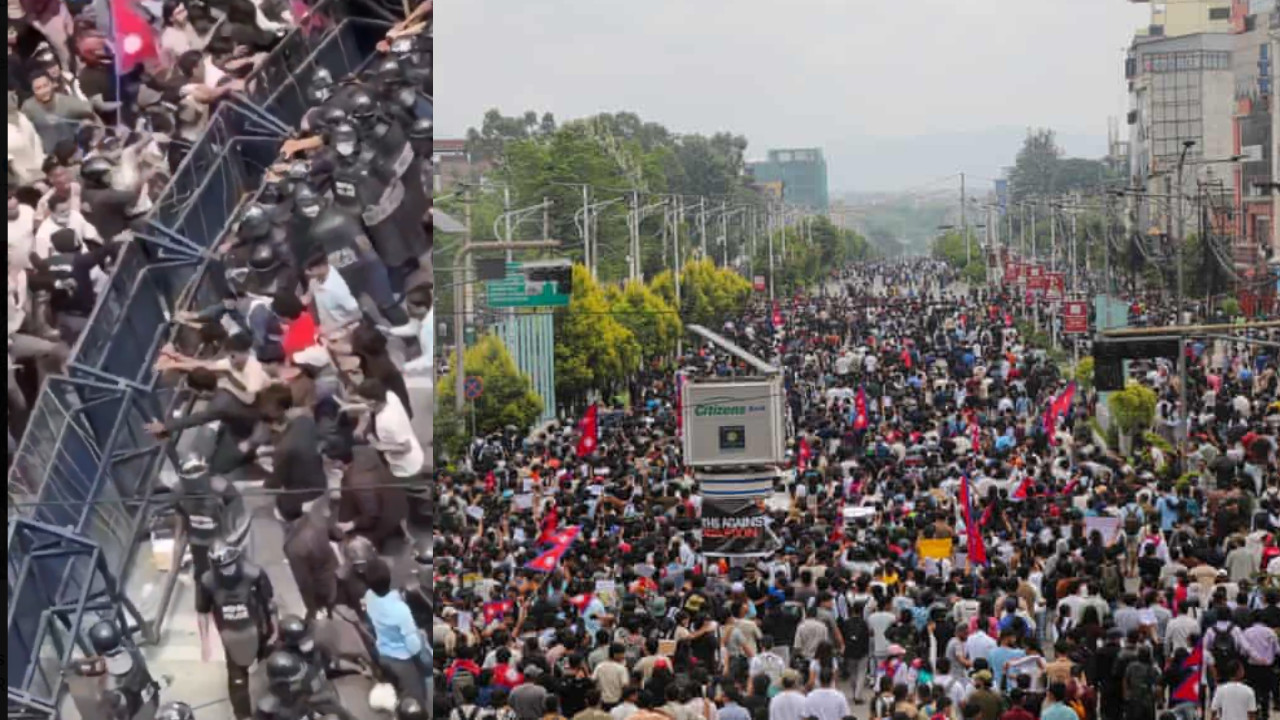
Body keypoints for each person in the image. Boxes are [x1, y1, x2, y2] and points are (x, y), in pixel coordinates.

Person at [196, 539, 276, 719]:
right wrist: (205, 642)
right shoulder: (207, 582)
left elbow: (270, 604)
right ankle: (242, 715)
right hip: (231, 635)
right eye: (222, 567)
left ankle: (281, 700)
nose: (227, 570)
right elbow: (202, 612)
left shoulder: (254, 573)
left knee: (274, 664)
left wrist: (275, 630)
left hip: (260, 628)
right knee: (237, 680)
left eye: (229, 565)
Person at [363, 557, 428, 704]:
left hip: (383, 654)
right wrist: (421, 641)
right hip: (402, 660)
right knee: (415, 699)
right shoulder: (400, 610)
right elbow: (413, 646)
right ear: (389, 578)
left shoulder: (369, 597)